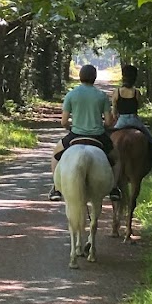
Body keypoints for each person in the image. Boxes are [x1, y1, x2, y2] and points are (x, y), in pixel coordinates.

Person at [48, 63, 122, 201]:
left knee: (55, 155)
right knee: (117, 159)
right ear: (94, 78)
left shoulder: (71, 94)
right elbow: (107, 122)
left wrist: (70, 128)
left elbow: (63, 121)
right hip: (98, 136)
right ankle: (114, 188)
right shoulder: (101, 96)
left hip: (76, 135)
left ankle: (56, 188)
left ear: (80, 77)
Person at [110, 63, 152, 178]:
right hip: (134, 120)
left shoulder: (117, 92)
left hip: (121, 121)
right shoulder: (136, 92)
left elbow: (114, 110)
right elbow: (139, 106)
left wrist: (115, 116)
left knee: (107, 140)